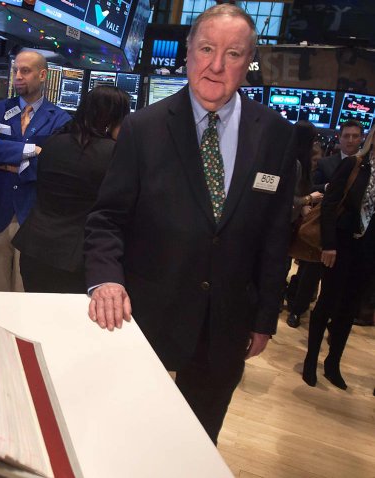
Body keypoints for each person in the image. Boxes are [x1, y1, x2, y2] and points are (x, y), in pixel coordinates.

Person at [83, 4, 295, 444]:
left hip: (226, 325)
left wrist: (265, 317)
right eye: (206, 49)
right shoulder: (143, 128)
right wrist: (105, 279)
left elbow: (275, 233)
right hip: (146, 316)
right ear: (187, 52)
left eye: (233, 54)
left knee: (199, 441)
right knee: (131, 434)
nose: (216, 66)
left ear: (248, 62)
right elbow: (107, 218)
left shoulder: (274, 132)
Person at [12, 86, 130, 293]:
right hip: (75, 259)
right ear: (114, 118)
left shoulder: (53, 143)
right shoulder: (114, 153)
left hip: (34, 250)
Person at [0, 50, 71, 291]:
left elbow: (53, 165)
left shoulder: (61, 120)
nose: (18, 76)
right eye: (16, 70)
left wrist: (9, 162)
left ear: (43, 75)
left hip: (32, 220)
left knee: (24, 300)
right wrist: (31, 151)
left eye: (25, 71)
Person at [302, 127, 375, 390]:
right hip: (341, 246)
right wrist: (329, 244)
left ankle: (333, 363)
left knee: (349, 309)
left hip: (368, 252)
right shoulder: (356, 164)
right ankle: (311, 360)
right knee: (327, 303)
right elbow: (330, 204)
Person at [286, 121, 323, 328]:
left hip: (295, 220)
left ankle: (289, 303)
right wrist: (308, 200)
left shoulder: (303, 160)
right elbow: (290, 198)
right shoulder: (296, 163)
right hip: (289, 220)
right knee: (285, 264)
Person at [312, 120, 363, 194]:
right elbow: (311, 187)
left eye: (355, 136)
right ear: (340, 138)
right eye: (346, 136)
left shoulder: (368, 164)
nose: (350, 140)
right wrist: (327, 187)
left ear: (362, 138)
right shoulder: (324, 163)